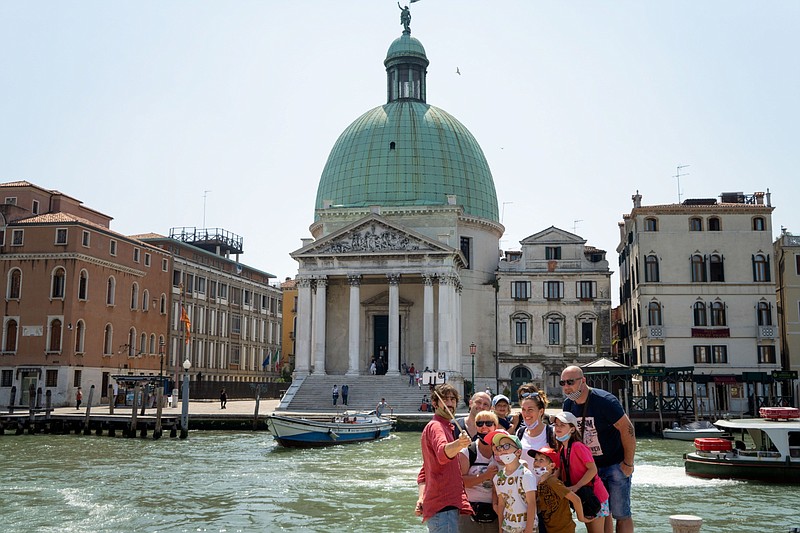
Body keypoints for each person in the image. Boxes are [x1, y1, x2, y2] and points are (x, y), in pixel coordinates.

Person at [560, 366, 636, 533]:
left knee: (621, 513)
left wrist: (628, 463)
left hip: (615, 465)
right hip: (590, 469)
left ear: (583, 381)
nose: (566, 387)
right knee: (602, 513)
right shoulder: (568, 405)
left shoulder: (605, 401)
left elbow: (627, 429)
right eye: (563, 383)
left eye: (570, 382)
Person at [415, 383, 473, 531]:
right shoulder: (436, 427)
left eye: (453, 400)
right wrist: (459, 444)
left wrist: (421, 497)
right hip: (443, 507)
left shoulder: (446, 426)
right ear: (435, 403)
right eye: (445, 400)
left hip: (442, 507)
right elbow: (442, 454)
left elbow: (424, 472)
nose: (450, 403)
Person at [553, 411, 609, 533]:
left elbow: (593, 469)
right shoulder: (562, 449)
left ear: (572, 429)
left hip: (595, 496)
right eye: (556, 425)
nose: (558, 428)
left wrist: (576, 486)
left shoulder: (578, 446)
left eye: (562, 425)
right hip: (583, 495)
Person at [529, 447, 593, 533]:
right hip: (550, 528)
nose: (536, 463)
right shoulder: (540, 483)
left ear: (552, 465)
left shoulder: (553, 482)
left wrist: (581, 518)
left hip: (564, 529)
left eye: (541, 460)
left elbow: (576, 499)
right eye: (535, 459)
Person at [457, 410, 500, 532]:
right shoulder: (468, 452)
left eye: (488, 423)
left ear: (495, 426)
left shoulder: (503, 451)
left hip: (496, 511)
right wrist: (485, 476)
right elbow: (461, 482)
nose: (484, 427)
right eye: (480, 424)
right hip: (470, 512)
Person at [489, 429, 538, 533]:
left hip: (526, 528)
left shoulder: (526, 475)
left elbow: (531, 503)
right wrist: (500, 529)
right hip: (508, 528)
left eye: (506, 446)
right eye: (499, 447)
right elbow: (501, 504)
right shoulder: (498, 478)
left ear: (518, 451)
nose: (502, 449)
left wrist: (528, 530)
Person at [516, 388, 557, 471]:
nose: (526, 413)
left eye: (530, 410)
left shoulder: (551, 433)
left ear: (541, 411)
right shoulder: (520, 432)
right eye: (523, 409)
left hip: (545, 483)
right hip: (524, 483)